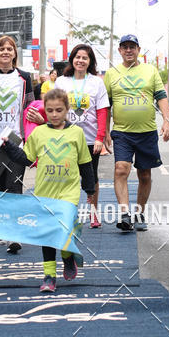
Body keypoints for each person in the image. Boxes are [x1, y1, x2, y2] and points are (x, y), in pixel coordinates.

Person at [4, 88, 94, 293]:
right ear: (45, 110)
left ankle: (67, 256)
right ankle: (49, 276)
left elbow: (85, 164)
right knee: (47, 235)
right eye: (50, 110)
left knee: (64, 229)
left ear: (67, 109)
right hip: (45, 193)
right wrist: (9, 146)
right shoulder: (39, 133)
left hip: (68, 193)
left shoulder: (76, 133)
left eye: (59, 110)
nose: (54, 114)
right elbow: (26, 158)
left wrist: (89, 189)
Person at [104, 34, 169, 232]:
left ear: (138, 50)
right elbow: (106, 105)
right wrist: (105, 131)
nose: (128, 50)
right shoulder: (112, 73)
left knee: (144, 174)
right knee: (121, 169)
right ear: (119, 50)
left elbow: (161, 96)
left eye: (132, 47)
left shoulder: (150, 70)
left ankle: (139, 213)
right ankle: (125, 214)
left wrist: (166, 121)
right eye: (124, 47)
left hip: (147, 132)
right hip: (122, 132)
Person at [0, 35, 34, 254]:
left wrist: (33, 127)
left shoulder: (24, 77)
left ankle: (15, 234)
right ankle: (2, 227)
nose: (5, 52)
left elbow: (30, 107)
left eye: (9, 49)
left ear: (15, 53)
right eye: (1, 49)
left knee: (14, 186)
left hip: (16, 139)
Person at [54, 44, 109, 227]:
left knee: (91, 177)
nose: (81, 61)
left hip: (90, 139)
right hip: (66, 138)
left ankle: (94, 213)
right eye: (78, 57)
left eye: (85, 58)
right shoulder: (62, 81)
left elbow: (102, 111)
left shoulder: (96, 82)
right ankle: (67, 213)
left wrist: (100, 137)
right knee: (66, 176)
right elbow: (55, 108)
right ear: (72, 59)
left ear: (90, 61)